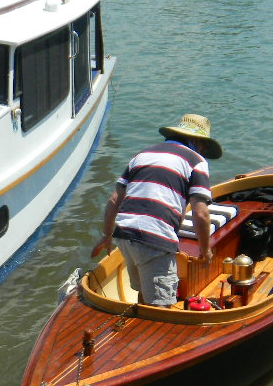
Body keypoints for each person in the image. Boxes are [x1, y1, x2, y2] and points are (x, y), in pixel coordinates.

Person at [93, 114, 222, 307]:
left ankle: (136, 329)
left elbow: (113, 201)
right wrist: (205, 249)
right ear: (197, 142)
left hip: (124, 234)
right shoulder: (196, 161)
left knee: (144, 294)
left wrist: (106, 236)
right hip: (154, 238)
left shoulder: (142, 155)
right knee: (161, 306)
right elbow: (201, 213)